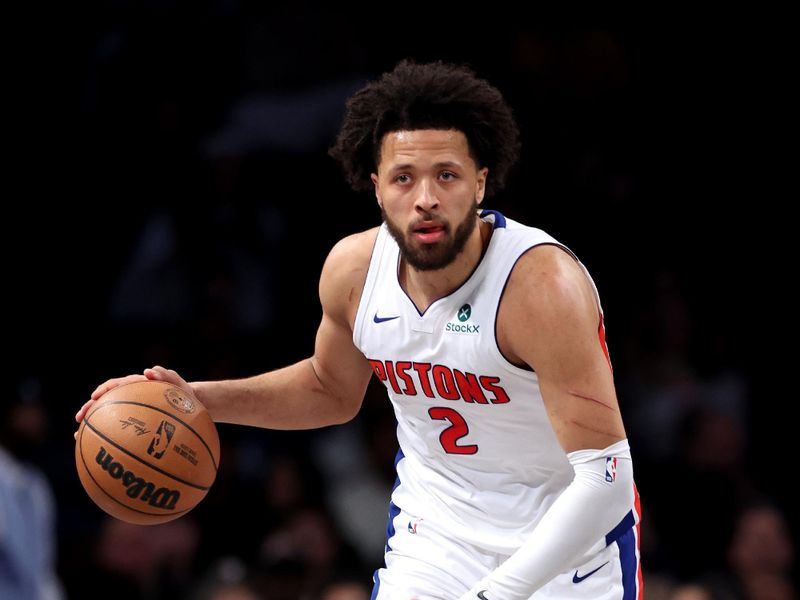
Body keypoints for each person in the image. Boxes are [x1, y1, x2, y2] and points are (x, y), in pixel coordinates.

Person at [76, 59, 642, 600]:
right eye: (404, 178)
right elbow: (330, 388)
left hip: (564, 545)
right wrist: (192, 399)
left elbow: (607, 480)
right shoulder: (353, 271)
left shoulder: (541, 287)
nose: (425, 199)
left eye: (447, 175)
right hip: (437, 537)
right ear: (376, 187)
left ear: (480, 183)